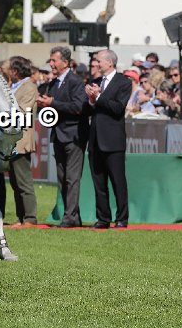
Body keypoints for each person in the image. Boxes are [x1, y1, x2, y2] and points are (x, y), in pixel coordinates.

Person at [37, 46, 87, 228]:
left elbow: (78, 107)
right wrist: (45, 104)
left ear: (65, 62)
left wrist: (53, 103)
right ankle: (73, 216)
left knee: (71, 178)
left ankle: (69, 217)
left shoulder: (75, 82)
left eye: (54, 60)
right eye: (50, 60)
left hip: (73, 136)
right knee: (62, 178)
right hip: (58, 135)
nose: (51, 64)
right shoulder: (54, 83)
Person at [84, 50, 132, 228]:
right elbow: (88, 110)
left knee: (118, 181)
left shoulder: (123, 82)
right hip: (95, 139)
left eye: (99, 61)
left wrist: (98, 97)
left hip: (113, 140)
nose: (96, 64)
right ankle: (103, 218)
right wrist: (91, 100)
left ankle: (122, 218)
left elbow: (118, 108)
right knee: (99, 182)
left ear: (110, 62)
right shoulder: (96, 82)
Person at [7, 56, 38, 228]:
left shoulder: (29, 87)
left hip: (21, 140)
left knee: (23, 181)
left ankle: (30, 218)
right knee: (15, 181)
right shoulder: (14, 86)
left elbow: (22, 112)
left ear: (15, 71)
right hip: (11, 140)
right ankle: (21, 217)